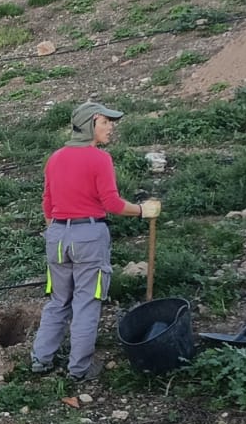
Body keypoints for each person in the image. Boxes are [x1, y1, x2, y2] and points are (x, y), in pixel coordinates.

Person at [28, 100, 161, 381]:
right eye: (105, 122)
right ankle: (79, 369)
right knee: (87, 302)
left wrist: (57, 231)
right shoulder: (99, 159)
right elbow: (112, 203)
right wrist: (142, 210)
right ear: (90, 125)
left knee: (58, 300)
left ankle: (41, 359)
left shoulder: (55, 158)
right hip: (88, 234)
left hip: (57, 236)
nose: (110, 127)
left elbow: (47, 202)